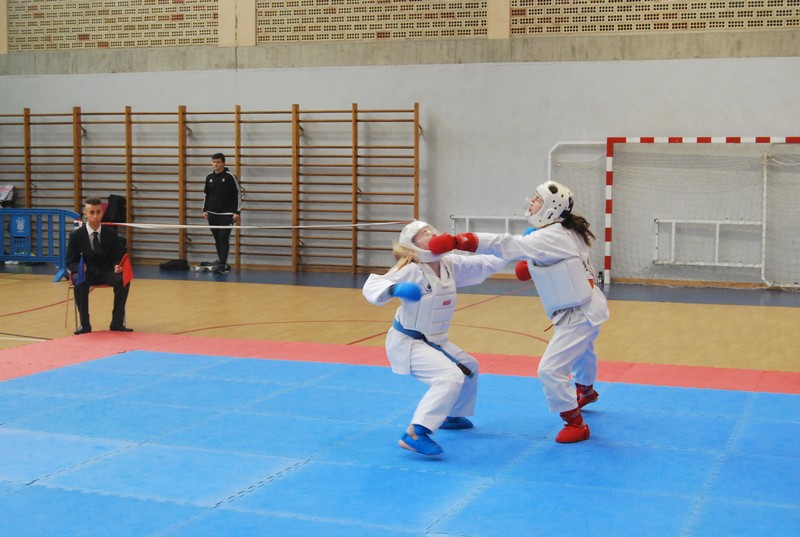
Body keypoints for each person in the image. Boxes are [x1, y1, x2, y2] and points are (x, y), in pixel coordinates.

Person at [429, 181, 609, 444]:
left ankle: (575, 424)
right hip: (589, 307)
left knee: (550, 370)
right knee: (584, 352)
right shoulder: (568, 231)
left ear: (550, 207)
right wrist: (535, 263)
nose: (532, 203)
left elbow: (504, 243)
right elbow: (564, 260)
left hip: (578, 315)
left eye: (537, 200)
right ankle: (587, 390)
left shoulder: (550, 236)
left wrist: (459, 241)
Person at [362, 220, 508, 456]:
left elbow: (484, 263)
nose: (431, 234)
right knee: (449, 377)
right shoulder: (412, 268)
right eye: (423, 233)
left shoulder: (450, 264)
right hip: (408, 342)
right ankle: (415, 432)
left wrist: (518, 248)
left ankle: (452, 415)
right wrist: (393, 290)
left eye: (431, 230)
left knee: (469, 367)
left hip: (435, 340)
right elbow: (375, 285)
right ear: (412, 244)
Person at [66, 197, 133, 335]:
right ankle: (85, 325)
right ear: (85, 214)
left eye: (98, 212)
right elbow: (70, 261)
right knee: (79, 281)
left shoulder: (111, 234)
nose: (95, 216)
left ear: (102, 213)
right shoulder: (76, 236)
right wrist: (77, 268)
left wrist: (118, 266)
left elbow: (118, 256)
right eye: (92, 212)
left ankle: (117, 323)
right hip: (87, 273)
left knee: (123, 281)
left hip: (105, 272)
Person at [203, 153, 241, 275]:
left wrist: (237, 212)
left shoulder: (230, 176)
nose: (216, 164)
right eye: (214, 162)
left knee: (223, 238)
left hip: (227, 214)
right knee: (217, 239)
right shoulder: (209, 177)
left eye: (218, 162)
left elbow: (238, 194)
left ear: (223, 163)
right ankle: (221, 262)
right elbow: (206, 195)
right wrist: (205, 209)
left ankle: (223, 264)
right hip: (212, 213)